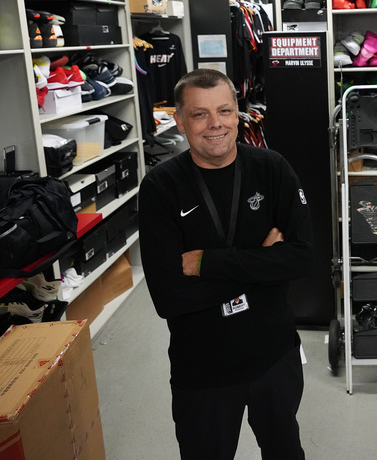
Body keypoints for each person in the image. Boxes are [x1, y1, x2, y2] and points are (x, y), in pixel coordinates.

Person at [138, 68, 313, 459]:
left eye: (225, 111)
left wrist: (208, 263)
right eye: (200, 114)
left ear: (239, 114)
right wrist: (266, 262)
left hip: (274, 354)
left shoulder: (271, 168)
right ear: (180, 121)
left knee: (285, 451)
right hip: (203, 369)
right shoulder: (160, 187)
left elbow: (302, 257)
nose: (215, 124)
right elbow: (168, 297)